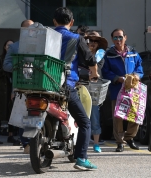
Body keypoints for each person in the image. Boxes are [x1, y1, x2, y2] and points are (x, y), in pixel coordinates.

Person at [53, 7, 98, 170]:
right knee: (85, 122)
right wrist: (95, 73)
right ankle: (81, 158)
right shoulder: (76, 38)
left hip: (41, 84)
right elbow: (90, 58)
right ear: (71, 22)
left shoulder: (46, 35)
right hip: (65, 86)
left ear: (54, 21)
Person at [102, 28, 143, 152]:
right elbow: (105, 71)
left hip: (133, 89)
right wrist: (116, 78)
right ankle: (120, 142)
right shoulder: (109, 54)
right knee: (118, 117)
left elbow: (139, 67)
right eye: (115, 38)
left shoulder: (134, 53)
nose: (118, 40)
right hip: (117, 89)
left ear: (125, 37)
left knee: (135, 114)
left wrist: (137, 75)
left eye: (120, 37)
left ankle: (130, 137)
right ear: (112, 39)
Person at [3, 19, 34, 154]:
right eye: (28, 28)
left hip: (40, 86)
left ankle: (38, 141)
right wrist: (19, 68)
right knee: (23, 116)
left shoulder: (42, 44)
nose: (31, 31)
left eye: (33, 28)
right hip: (21, 86)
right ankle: (26, 143)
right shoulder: (14, 47)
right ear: (22, 31)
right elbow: (6, 65)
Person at [84, 31, 108, 153]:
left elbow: (96, 70)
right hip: (81, 86)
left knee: (94, 115)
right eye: (90, 40)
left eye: (95, 41)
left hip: (94, 89)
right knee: (80, 115)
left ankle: (96, 143)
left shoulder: (100, 55)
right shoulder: (81, 53)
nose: (92, 43)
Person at [0, 39, 21, 145]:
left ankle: (13, 133)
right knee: (3, 110)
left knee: (13, 111)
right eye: (8, 46)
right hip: (4, 88)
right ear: (4, 47)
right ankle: (3, 131)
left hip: (13, 86)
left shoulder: (17, 57)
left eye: (11, 45)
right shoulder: (1, 59)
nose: (9, 47)